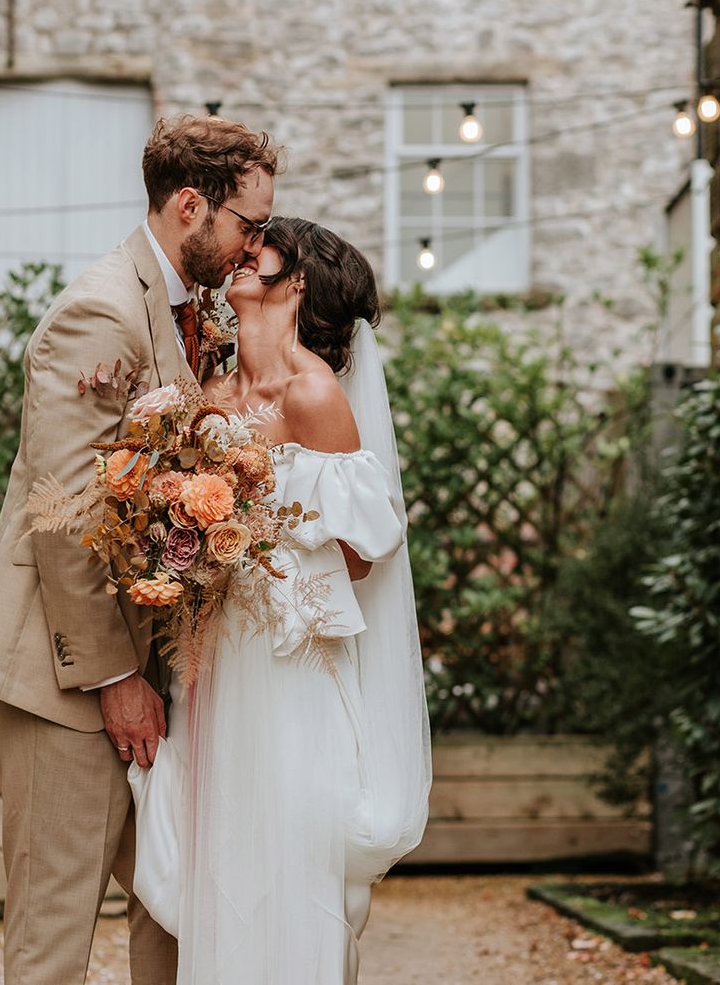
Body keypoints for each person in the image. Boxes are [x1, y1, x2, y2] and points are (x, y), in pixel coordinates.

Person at [0, 115, 279, 985]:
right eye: (247, 225)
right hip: (71, 678)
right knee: (55, 934)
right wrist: (116, 680)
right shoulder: (100, 311)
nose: (255, 246)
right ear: (190, 206)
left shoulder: (189, 311)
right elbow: (61, 516)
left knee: (174, 911)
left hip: (161, 673)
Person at [128, 218, 433, 984]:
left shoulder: (314, 394)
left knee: (289, 857)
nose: (241, 252)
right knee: (221, 856)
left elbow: (363, 558)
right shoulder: (212, 389)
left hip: (289, 661)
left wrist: (262, 539)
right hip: (213, 656)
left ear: (295, 280)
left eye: (259, 249)